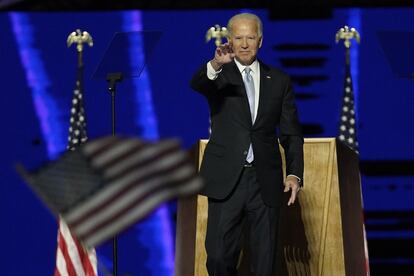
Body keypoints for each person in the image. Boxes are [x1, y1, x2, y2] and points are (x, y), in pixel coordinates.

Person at [190, 12, 304, 276]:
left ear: (260, 41)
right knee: (218, 258)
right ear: (229, 40)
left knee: (265, 262)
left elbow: (291, 133)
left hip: (264, 179)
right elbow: (197, 83)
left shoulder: (279, 80)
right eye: (238, 38)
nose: (244, 44)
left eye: (250, 37)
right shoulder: (219, 75)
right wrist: (216, 65)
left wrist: (294, 173)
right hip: (226, 179)